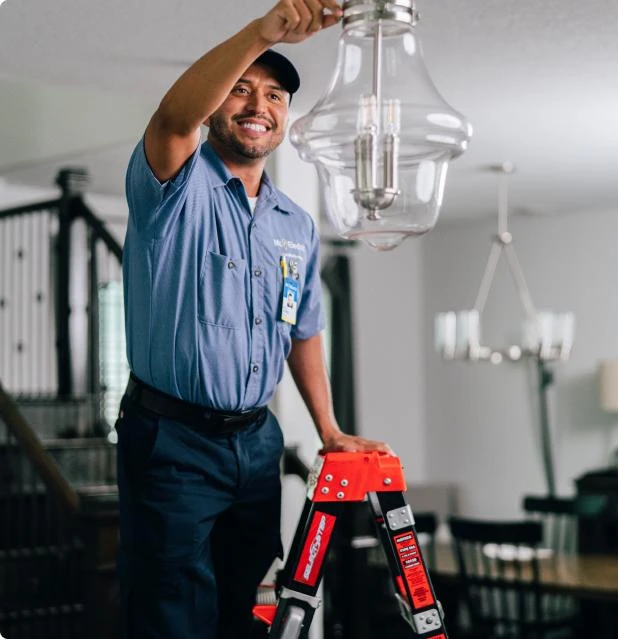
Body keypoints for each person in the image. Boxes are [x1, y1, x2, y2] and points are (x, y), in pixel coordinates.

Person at [117, 1, 392, 637]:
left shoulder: (295, 224)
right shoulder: (171, 186)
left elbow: (302, 329)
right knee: (171, 616)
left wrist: (329, 428)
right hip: (171, 439)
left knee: (251, 606)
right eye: (241, 89)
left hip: (255, 443)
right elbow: (172, 117)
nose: (257, 105)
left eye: (273, 95)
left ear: (286, 117)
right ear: (216, 107)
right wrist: (265, 31)